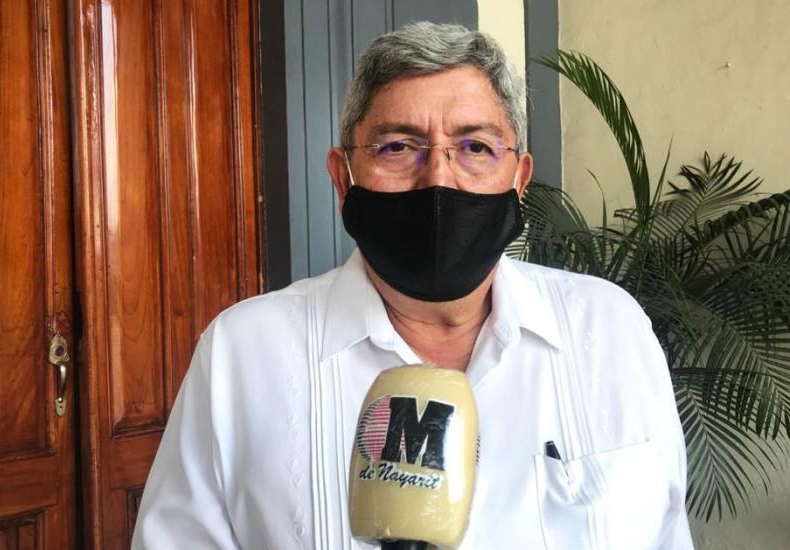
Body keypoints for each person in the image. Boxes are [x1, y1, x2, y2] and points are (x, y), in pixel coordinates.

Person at [133, 22, 693, 549]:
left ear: (519, 180)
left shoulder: (610, 329)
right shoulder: (241, 353)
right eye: (398, 147)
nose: (439, 179)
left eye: (475, 147)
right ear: (342, 178)